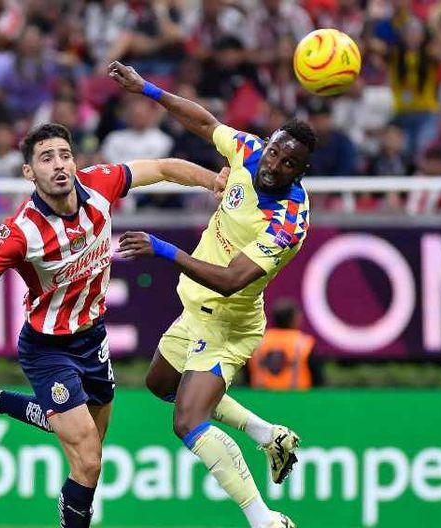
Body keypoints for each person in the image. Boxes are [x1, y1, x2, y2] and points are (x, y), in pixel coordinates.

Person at [0, 122, 225, 528]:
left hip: (93, 339)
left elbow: (162, 168)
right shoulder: (20, 232)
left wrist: (212, 181)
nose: (59, 165)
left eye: (64, 155)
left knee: (90, 441)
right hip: (48, 348)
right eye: (46, 158)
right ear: (29, 172)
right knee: (88, 460)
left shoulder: (100, 185)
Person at [108, 60, 318, 528]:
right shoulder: (250, 151)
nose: (274, 165)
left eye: (288, 164)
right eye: (275, 153)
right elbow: (206, 123)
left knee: (187, 421)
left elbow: (230, 280)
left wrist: (162, 249)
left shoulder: (287, 222)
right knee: (161, 384)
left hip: (227, 321)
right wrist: (147, 89)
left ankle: (264, 518)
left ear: (301, 172)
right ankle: (268, 435)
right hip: (196, 308)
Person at [247, 299, 323, 390]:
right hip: (297, 397)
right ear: (293, 319)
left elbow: (246, 375)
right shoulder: (304, 343)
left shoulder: (258, 341)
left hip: (260, 397)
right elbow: (317, 379)